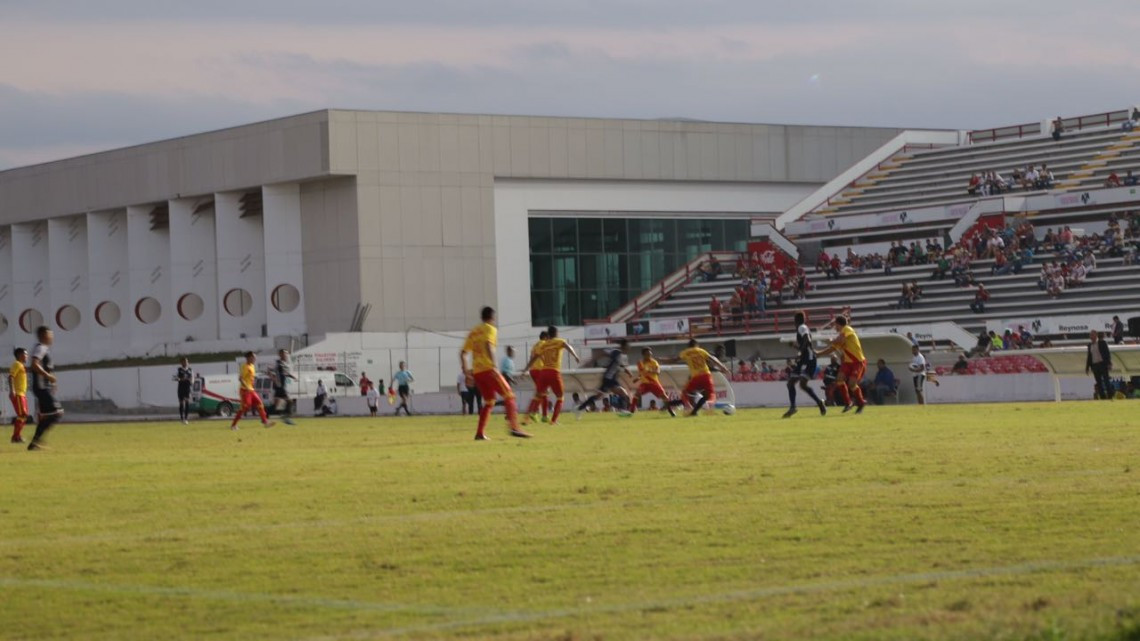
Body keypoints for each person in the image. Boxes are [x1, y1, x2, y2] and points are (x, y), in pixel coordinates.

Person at [461, 306, 529, 440]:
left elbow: (463, 354)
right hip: (488, 369)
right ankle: (514, 428)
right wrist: (495, 366)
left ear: (482, 317)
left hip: (478, 373)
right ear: (492, 318)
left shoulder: (473, 332)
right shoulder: (491, 329)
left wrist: (466, 372)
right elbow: (488, 345)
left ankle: (480, 433)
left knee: (490, 401)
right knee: (509, 396)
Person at [524, 326, 579, 425]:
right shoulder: (559, 341)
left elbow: (534, 357)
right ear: (557, 333)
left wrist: (526, 368)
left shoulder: (544, 345)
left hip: (544, 372)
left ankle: (530, 415)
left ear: (548, 334)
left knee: (538, 395)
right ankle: (553, 421)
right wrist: (575, 355)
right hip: (554, 372)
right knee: (560, 397)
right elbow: (568, 346)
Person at [664, 338, 731, 417]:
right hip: (706, 375)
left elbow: (674, 360)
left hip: (695, 377)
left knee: (686, 394)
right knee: (707, 396)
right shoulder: (701, 351)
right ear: (697, 345)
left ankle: (683, 408)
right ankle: (692, 410)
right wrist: (724, 368)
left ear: (689, 346)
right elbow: (713, 359)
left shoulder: (686, 352)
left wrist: (662, 360)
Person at [816, 315, 867, 413]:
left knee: (852, 384)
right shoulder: (841, 336)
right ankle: (848, 403)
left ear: (839, 324)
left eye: (835, 325)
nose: (834, 327)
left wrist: (831, 341)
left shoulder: (847, 329)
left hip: (858, 362)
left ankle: (861, 402)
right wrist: (819, 353)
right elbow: (832, 348)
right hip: (848, 363)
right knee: (839, 380)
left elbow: (838, 341)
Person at [783, 311, 827, 418]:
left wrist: (800, 352)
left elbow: (807, 339)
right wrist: (795, 347)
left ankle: (817, 403)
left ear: (795, 320)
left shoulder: (801, 327)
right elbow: (806, 344)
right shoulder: (803, 328)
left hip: (808, 359)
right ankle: (794, 407)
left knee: (798, 384)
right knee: (793, 383)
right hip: (805, 359)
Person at [27, 326, 63, 450]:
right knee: (57, 413)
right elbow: (34, 364)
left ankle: (34, 444)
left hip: (43, 387)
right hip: (41, 387)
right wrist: (48, 376)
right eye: (49, 335)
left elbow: (45, 368)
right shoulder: (41, 348)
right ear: (43, 336)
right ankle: (36, 442)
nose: (51, 337)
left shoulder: (44, 349)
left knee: (46, 416)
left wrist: (52, 383)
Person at [576, 339, 633, 417]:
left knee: (598, 396)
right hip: (608, 378)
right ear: (623, 346)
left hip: (612, 379)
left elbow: (622, 366)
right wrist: (591, 361)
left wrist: (628, 372)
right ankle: (623, 410)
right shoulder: (615, 352)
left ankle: (579, 408)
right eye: (627, 347)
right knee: (623, 393)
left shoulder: (623, 357)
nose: (628, 348)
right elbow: (602, 352)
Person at [230, 351, 275, 431]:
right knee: (245, 407)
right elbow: (240, 378)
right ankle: (233, 425)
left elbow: (251, 378)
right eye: (253, 357)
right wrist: (246, 386)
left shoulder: (252, 366)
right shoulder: (245, 366)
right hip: (245, 390)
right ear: (249, 358)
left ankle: (265, 422)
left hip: (251, 390)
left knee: (260, 404)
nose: (255, 359)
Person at [630, 347, 675, 417]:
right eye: (648, 354)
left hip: (654, 383)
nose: (650, 355)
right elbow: (642, 373)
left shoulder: (654, 362)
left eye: (650, 354)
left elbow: (658, 372)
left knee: (665, 397)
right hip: (645, 384)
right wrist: (638, 378)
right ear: (643, 355)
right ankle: (631, 412)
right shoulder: (640, 363)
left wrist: (650, 371)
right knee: (637, 394)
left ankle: (671, 411)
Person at [526, 332, 551, 422]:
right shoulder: (544, 344)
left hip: (533, 370)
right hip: (540, 369)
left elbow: (531, 357)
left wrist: (527, 368)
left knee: (542, 392)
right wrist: (547, 363)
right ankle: (535, 412)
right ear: (545, 337)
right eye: (548, 337)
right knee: (545, 391)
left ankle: (543, 415)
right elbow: (541, 355)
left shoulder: (534, 345)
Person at [270, 349, 297, 425]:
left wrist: (292, 377)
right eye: (285, 354)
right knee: (289, 401)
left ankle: (265, 414)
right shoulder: (278, 363)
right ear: (281, 354)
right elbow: (270, 371)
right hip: (280, 386)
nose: (286, 356)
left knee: (277, 404)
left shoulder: (283, 364)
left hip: (279, 386)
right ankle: (286, 417)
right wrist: (273, 378)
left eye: (287, 354)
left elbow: (285, 373)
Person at [1086, 330, 1113, 400]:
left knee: (1106, 381)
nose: (1091, 336)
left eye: (1092, 335)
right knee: (1099, 383)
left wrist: (1109, 363)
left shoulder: (1102, 343)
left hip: (1102, 364)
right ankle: (1103, 397)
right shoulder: (1089, 345)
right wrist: (1087, 367)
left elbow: (1107, 353)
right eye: (1090, 335)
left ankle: (1110, 396)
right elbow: (1089, 357)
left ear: (1096, 335)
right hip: (1095, 365)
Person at [8, 348, 28, 444]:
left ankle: (17, 436)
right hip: (18, 394)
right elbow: (11, 377)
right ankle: (16, 437)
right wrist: (12, 390)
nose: (27, 356)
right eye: (25, 354)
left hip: (22, 394)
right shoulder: (17, 364)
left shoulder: (21, 365)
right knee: (22, 415)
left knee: (23, 416)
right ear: (20, 355)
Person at [175, 357, 193, 425]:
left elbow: (192, 378)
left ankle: (186, 418)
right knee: (181, 403)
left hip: (187, 388)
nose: (186, 363)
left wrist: (191, 381)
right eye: (184, 362)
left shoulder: (190, 370)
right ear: (181, 363)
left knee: (187, 402)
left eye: (187, 362)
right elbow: (175, 378)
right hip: (181, 388)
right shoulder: (179, 370)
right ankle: (182, 418)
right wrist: (181, 379)